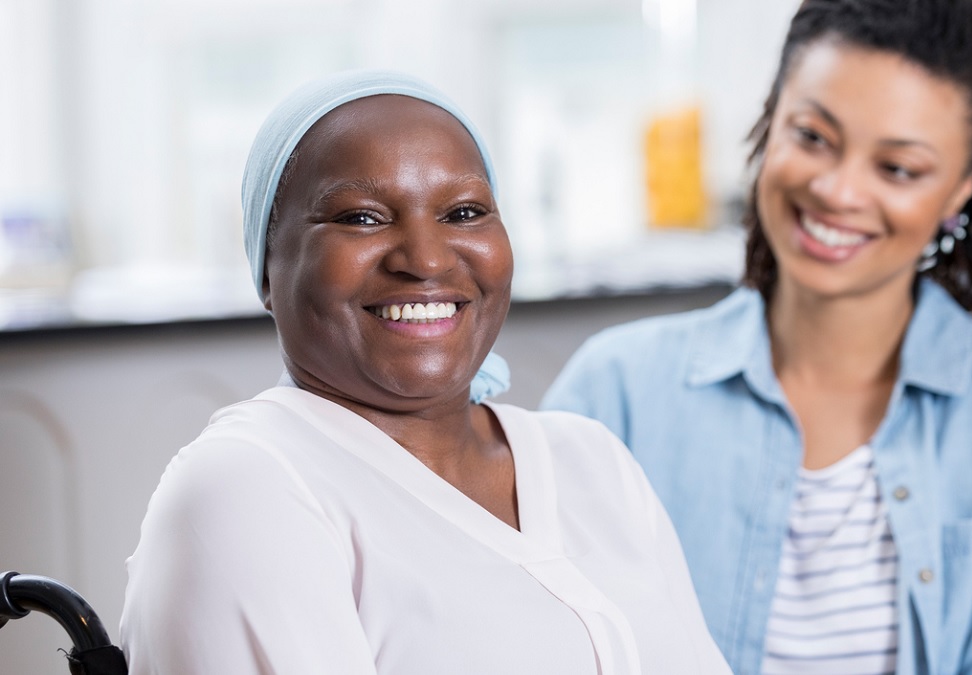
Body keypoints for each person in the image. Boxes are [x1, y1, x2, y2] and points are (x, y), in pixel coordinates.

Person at [541, 1, 972, 673]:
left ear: (958, 192)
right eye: (813, 136)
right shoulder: (615, 393)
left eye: (898, 168)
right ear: (772, 116)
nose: (837, 190)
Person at [119, 70, 731, 675]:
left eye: (464, 212)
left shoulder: (591, 461)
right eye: (362, 217)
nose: (427, 259)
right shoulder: (247, 491)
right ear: (266, 269)